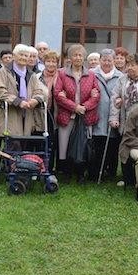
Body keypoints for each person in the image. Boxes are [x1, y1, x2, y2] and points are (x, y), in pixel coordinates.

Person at [54, 44, 100, 183]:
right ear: (70, 57)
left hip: (85, 116)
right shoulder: (62, 73)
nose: (78, 57)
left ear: (84, 57)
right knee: (64, 144)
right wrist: (75, 107)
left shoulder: (91, 74)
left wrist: (84, 107)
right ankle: (66, 173)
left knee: (83, 144)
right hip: (67, 116)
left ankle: (80, 173)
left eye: (80, 55)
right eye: (75, 55)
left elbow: (97, 95)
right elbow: (58, 94)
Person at [0, 44, 46, 137]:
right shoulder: (4, 71)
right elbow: (0, 91)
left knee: (24, 143)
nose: (23, 57)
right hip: (10, 113)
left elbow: (40, 91)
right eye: (21, 55)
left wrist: (35, 100)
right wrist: (18, 102)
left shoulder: (31, 74)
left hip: (27, 113)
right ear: (14, 56)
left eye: (26, 55)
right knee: (12, 144)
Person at [90, 49, 123, 181]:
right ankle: (95, 172)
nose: (107, 63)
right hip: (96, 115)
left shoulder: (120, 76)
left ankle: (111, 172)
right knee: (97, 146)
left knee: (112, 146)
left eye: (110, 60)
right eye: (104, 60)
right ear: (100, 60)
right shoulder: (92, 74)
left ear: (114, 61)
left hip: (113, 116)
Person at [109, 53, 138, 135]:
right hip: (126, 119)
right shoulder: (122, 79)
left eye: (133, 65)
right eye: (128, 65)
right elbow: (115, 98)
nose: (130, 68)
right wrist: (114, 118)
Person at [39, 50, 60, 171]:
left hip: (56, 112)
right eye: (48, 61)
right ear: (44, 62)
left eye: (54, 61)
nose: (51, 64)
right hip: (42, 112)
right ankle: (41, 166)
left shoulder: (61, 76)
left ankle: (51, 168)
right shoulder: (38, 76)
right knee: (43, 140)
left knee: (54, 141)